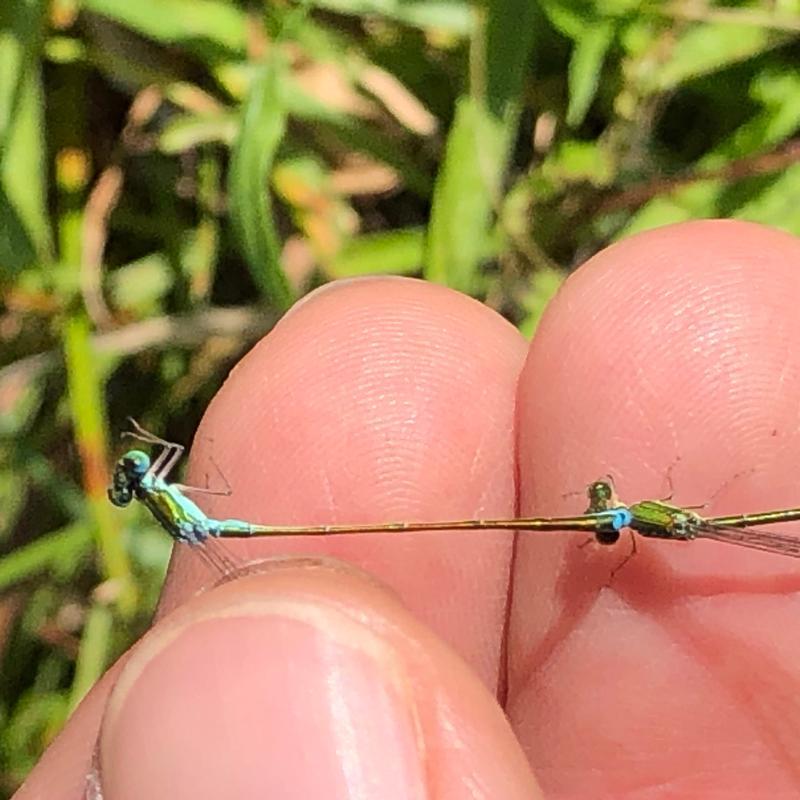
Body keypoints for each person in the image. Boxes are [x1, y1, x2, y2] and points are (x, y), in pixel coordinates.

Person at [17, 220, 800, 799]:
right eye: (135, 471)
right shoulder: (170, 496)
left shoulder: (156, 480)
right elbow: (191, 487)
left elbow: (172, 469)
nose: (138, 468)